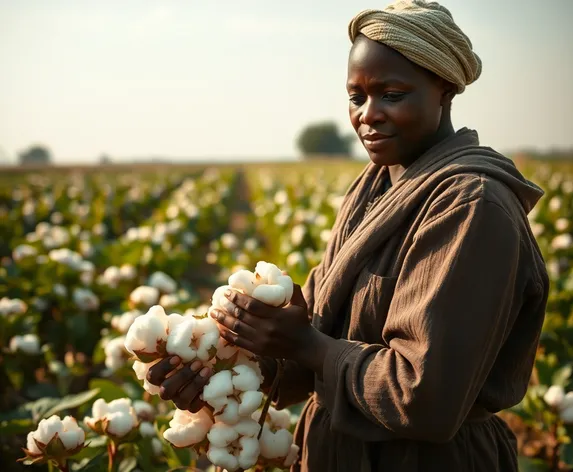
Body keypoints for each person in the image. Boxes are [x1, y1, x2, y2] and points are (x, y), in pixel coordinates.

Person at [147, 1, 550, 470]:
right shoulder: (373, 186)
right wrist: (226, 369)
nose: (368, 114)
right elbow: (323, 346)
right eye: (356, 97)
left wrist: (305, 345)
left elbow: (425, 400)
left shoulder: (471, 205)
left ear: (444, 88)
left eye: (392, 94)